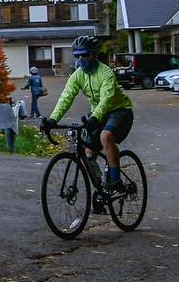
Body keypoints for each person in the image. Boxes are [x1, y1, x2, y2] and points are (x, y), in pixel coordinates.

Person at [41, 35, 134, 196]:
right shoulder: (78, 75)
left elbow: (106, 100)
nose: (81, 59)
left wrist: (94, 118)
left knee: (105, 136)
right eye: (77, 56)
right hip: (99, 114)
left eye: (84, 55)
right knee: (87, 153)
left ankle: (115, 181)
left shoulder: (106, 73)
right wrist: (52, 119)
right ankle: (102, 191)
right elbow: (66, 97)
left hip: (119, 111)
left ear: (94, 55)